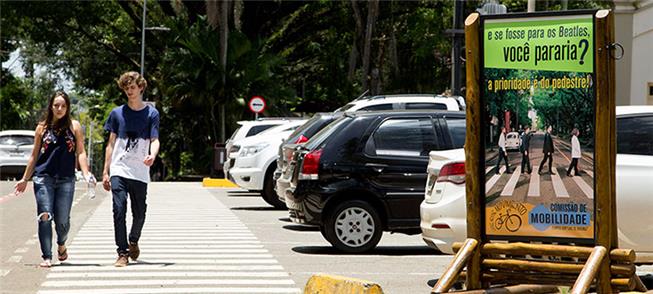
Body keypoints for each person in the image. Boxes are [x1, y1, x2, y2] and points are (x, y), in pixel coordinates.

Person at [13, 91, 95, 268]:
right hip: (43, 178)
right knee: (45, 215)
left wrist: (87, 173)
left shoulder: (74, 127)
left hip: (66, 179)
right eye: (56, 105)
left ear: (67, 108)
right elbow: (34, 156)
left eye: (63, 106)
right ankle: (47, 256)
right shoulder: (42, 128)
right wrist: (24, 179)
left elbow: (80, 152)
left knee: (63, 221)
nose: (59, 109)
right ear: (51, 106)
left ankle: (61, 244)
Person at [102, 71, 160, 267]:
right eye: (126, 89)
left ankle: (133, 240)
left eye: (133, 88)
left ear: (141, 88)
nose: (129, 91)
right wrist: (106, 171)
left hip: (140, 171)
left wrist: (152, 155)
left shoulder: (151, 113)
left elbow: (155, 139)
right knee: (118, 209)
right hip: (119, 169)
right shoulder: (117, 114)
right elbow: (110, 144)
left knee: (140, 213)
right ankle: (122, 252)